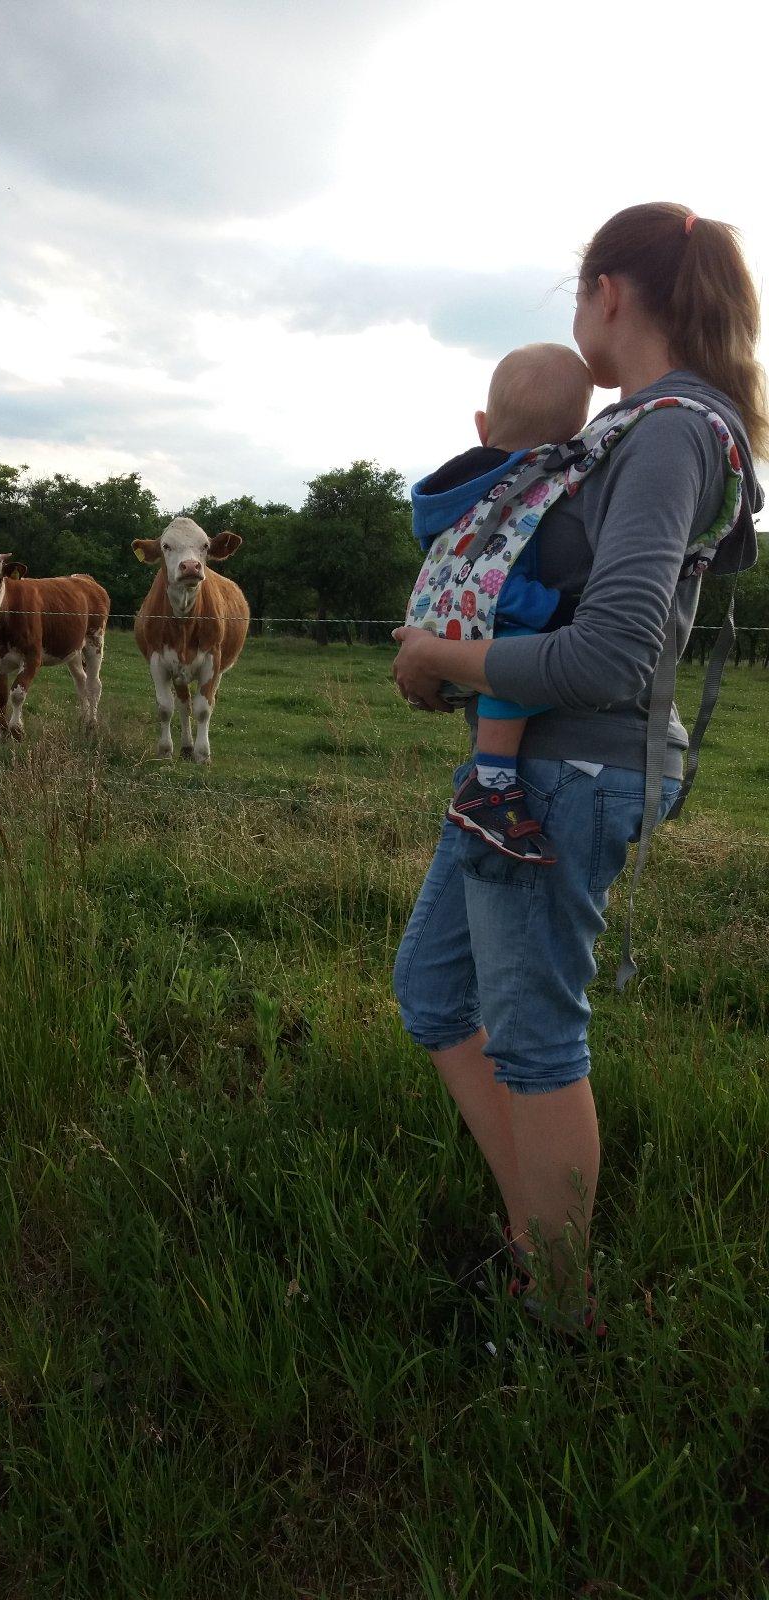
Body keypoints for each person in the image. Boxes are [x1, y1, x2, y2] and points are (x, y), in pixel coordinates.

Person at [390, 203, 765, 1338]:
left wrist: (444, 657)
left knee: (536, 1040)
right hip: (533, 769)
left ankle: (556, 1311)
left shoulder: (672, 434)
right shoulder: (636, 427)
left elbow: (610, 654)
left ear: (608, 291)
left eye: (576, 297)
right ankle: (535, 1243)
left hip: (571, 774)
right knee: (434, 992)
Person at [409, 343, 594, 865]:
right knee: (516, 661)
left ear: (482, 425)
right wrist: (557, 610)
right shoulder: (524, 487)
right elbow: (497, 581)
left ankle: (486, 776)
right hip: (488, 612)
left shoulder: (456, 489)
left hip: (433, 616)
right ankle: (491, 782)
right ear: (575, 433)